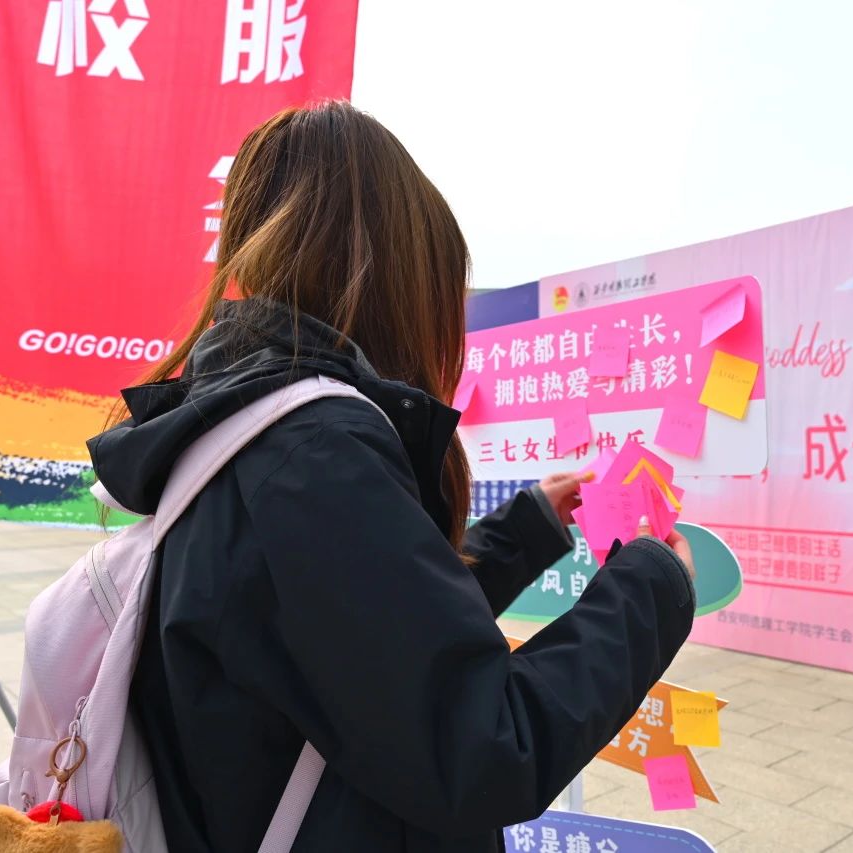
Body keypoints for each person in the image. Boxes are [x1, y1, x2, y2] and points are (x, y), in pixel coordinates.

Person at [87, 100, 696, 852]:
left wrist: (528, 526)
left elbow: (374, 641)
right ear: (400, 281)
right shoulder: (311, 455)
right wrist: (654, 584)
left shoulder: (242, 427)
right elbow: (484, 744)